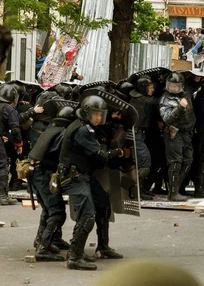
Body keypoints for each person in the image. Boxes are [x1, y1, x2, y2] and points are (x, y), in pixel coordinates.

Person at [58, 96, 128, 270]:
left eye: (101, 115)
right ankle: (74, 256)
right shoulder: (82, 130)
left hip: (83, 175)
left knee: (103, 204)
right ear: (87, 112)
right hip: (73, 177)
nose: (98, 118)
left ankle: (103, 247)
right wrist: (117, 152)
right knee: (87, 215)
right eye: (95, 114)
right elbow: (100, 155)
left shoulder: (86, 126)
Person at [28, 106, 76, 262]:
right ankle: (44, 247)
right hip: (43, 173)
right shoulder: (62, 134)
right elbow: (62, 157)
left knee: (49, 209)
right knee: (56, 211)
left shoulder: (52, 129)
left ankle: (43, 239)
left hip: (35, 171)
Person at [159, 73, 196, 201]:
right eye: (171, 86)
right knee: (175, 163)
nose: (173, 88)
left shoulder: (185, 94)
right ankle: (173, 193)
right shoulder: (165, 99)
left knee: (188, 161)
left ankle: (175, 188)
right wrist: (180, 107)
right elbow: (166, 119)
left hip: (187, 133)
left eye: (176, 86)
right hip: (174, 133)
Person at [129, 76, 160, 200]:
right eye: (150, 87)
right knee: (145, 161)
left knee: (142, 162)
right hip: (135, 134)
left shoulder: (140, 97)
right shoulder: (139, 98)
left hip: (139, 133)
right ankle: (135, 190)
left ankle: (140, 189)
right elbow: (154, 101)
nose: (152, 90)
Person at [0, 85, 22, 205]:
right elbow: (15, 129)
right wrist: (19, 144)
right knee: (1, 166)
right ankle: (2, 196)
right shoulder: (8, 108)